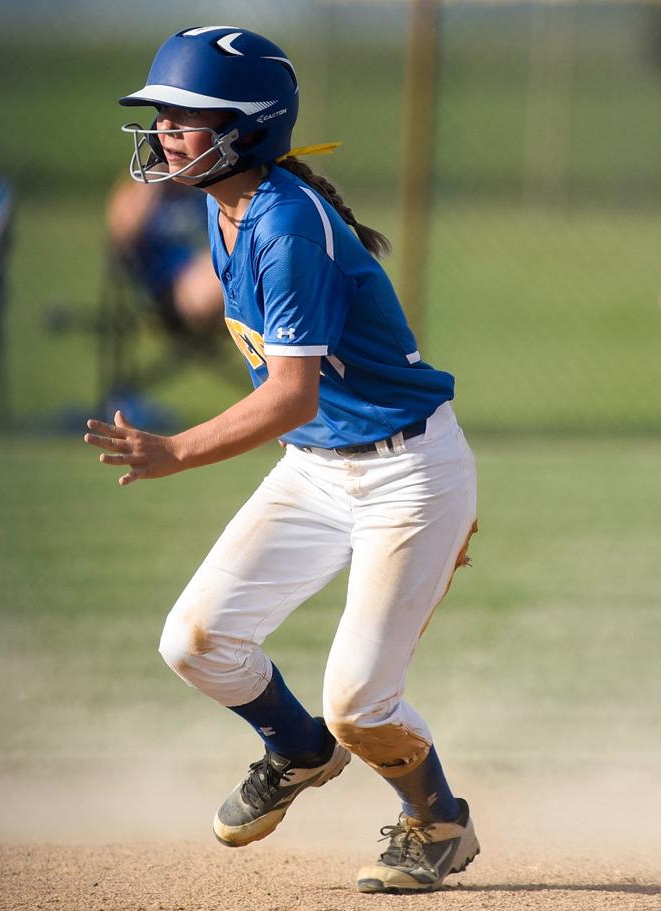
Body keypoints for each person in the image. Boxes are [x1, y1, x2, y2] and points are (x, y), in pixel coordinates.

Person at [84, 27, 480, 893]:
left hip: (407, 473)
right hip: (321, 465)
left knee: (359, 701)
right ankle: (298, 748)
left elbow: (291, 394)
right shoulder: (226, 208)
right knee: (194, 641)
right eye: (162, 115)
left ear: (248, 127)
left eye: (185, 116)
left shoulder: (289, 225)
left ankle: (438, 817)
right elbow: (303, 413)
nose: (163, 133)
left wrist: (176, 448)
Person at [106, 176, 224, 334]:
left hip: (216, 272)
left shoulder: (210, 184)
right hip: (171, 291)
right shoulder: (138, 194)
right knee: (232, 259)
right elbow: (123, 237)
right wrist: (153, 179)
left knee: (238, 255)